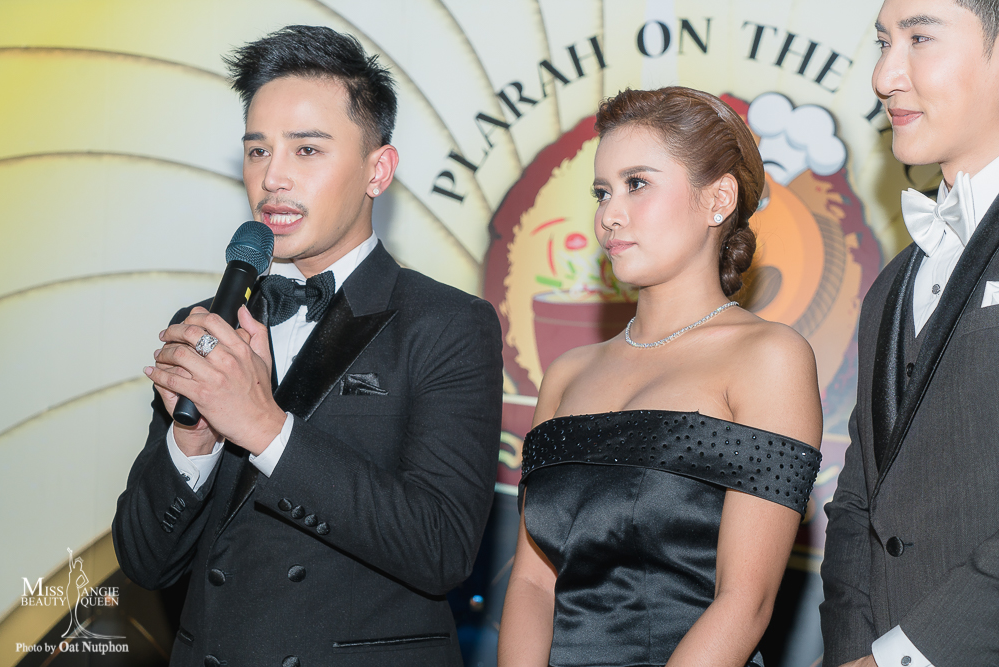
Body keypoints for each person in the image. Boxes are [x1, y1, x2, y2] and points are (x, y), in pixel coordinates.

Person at [112, 25, 503, 667]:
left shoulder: (447, 323)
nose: (273, 178)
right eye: (258, 151)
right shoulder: (212, 323)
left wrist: (263, 426)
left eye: (307, 150)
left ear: (377, 170)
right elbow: (145, 563)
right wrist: (193, 445)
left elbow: (441, 549)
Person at [496, 87, 824, 667]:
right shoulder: (568, 374)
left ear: (718, 199)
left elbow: (745, 601)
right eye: (602, 192)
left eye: (637, 184)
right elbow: (531, 584)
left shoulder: (770, 357)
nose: (609, 214)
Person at [821, 0, 999, 665]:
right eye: (882, 43)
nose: (884, 77)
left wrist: (900, 658)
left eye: (920, 38)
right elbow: (857, 501)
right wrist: (851, 652)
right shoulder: (894, 282)